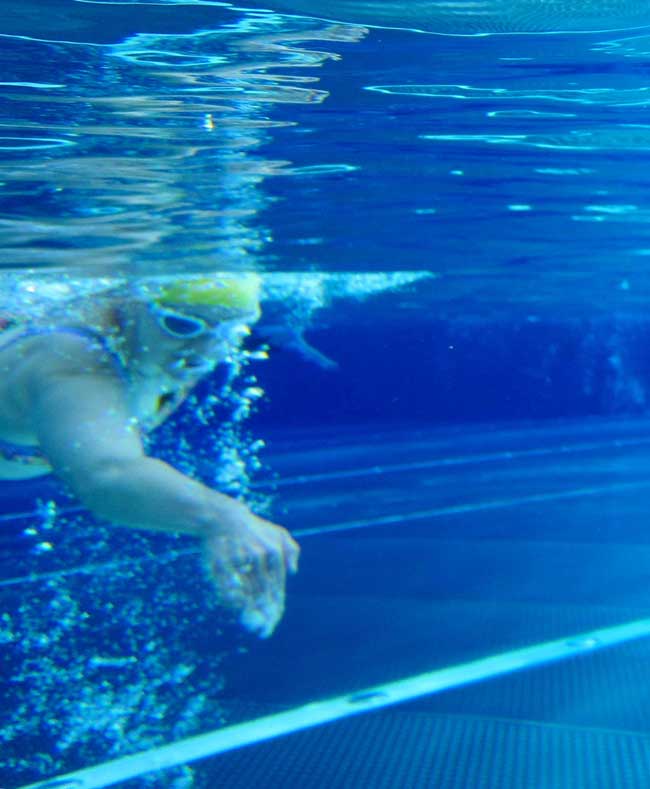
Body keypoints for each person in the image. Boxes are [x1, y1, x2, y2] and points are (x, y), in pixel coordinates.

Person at [0, 273, 300, 638]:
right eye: (181, 325)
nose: (205, 349)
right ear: (131, 305)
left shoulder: (170, 343)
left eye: (229, 330)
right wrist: (223, 517)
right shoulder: (71, 364)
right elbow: (107, 474)